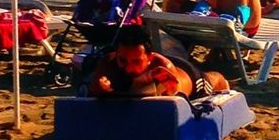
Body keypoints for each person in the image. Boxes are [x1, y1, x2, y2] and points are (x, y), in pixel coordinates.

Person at [88, 24, 228, 98]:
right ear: (116, 54)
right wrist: (100, 89)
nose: (129, 68)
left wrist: (110, 93)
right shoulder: (109, 62)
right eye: (123, 60)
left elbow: (168, 98)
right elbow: (92, 93)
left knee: (213, 79)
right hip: (157, 71)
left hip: (188, 77)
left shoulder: (162, 68)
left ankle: (224, 80)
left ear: (150, 57)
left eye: (136, 62)